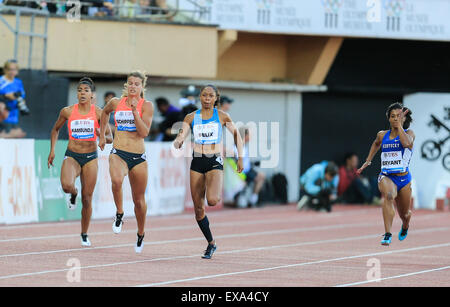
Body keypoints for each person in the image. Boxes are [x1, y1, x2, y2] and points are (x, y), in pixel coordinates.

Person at [173, 84, 244, 259]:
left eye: (210, 96)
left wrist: (240, 156)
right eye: (204, 95)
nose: (206, 99)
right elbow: (182, 134)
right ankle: (211, 243)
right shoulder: (191, 117)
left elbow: (237, 135)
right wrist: (179, 141)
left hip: (214, 161)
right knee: (198, 209)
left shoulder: (221, 116)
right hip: (197, 161)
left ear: (215, 98)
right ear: (200, 97)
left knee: (212, 200)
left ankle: (213, 185)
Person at [48, 77, 113, 247]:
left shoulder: (99, 113)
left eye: (86, 90)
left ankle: (84, 233)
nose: (82, 93)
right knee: (66, 186)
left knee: (87, 198)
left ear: (92, 94)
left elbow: (110, 137)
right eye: (79, 90)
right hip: (72, 155)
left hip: (90, 157)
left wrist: (101, 136)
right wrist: (52, 150)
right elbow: (55, 129)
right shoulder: (67, 112)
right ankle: (73, 194)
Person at [99, 71, 154, 254]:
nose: (132, 86)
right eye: (130, 83)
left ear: (141, 87)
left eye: (136, 84)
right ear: (126, 85)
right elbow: (104, 113)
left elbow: (144, 132)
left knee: (139, 201)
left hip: (138, 157)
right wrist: (103, 135)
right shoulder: (116, 102)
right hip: (119, 151)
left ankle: (140, 233)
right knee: (116, 181)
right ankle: (120, 213)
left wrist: (134, 111)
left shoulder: (146, 105)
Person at [357, 102, 414, 246]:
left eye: (399, 116)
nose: (395, 119)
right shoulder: (382, 135)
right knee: (388, 195)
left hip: (404, 179)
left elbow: (407, 144)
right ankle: (388, 233)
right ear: (388, 118)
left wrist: (400, 125)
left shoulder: (409, 134)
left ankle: (405, 225)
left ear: (404, 119)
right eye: (393, 116)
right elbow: (376, 143)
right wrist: (368, 160)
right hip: (387, 176)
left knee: (405, 214)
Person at [0, 59, 29, 138]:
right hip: (3, 116)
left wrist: (20, 101)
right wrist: (6, 96)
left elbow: (21, 96)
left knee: (14, 138)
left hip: (14, 116)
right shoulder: (1, 81)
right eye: (10, 69)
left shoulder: (18, 82)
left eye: (14, 69)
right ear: (5, 70)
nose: (12, 72)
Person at [239, 126, 265, 207]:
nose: (250, 137)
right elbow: (238, 160)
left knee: (262, 176)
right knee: (261, 177)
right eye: (249, 135)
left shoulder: (244, 146)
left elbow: (245, 161)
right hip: (243, 172)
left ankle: (253, 198)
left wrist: (252, 164)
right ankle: (253, 199)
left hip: (248, 169)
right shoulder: (238, 146)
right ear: (245, 136)